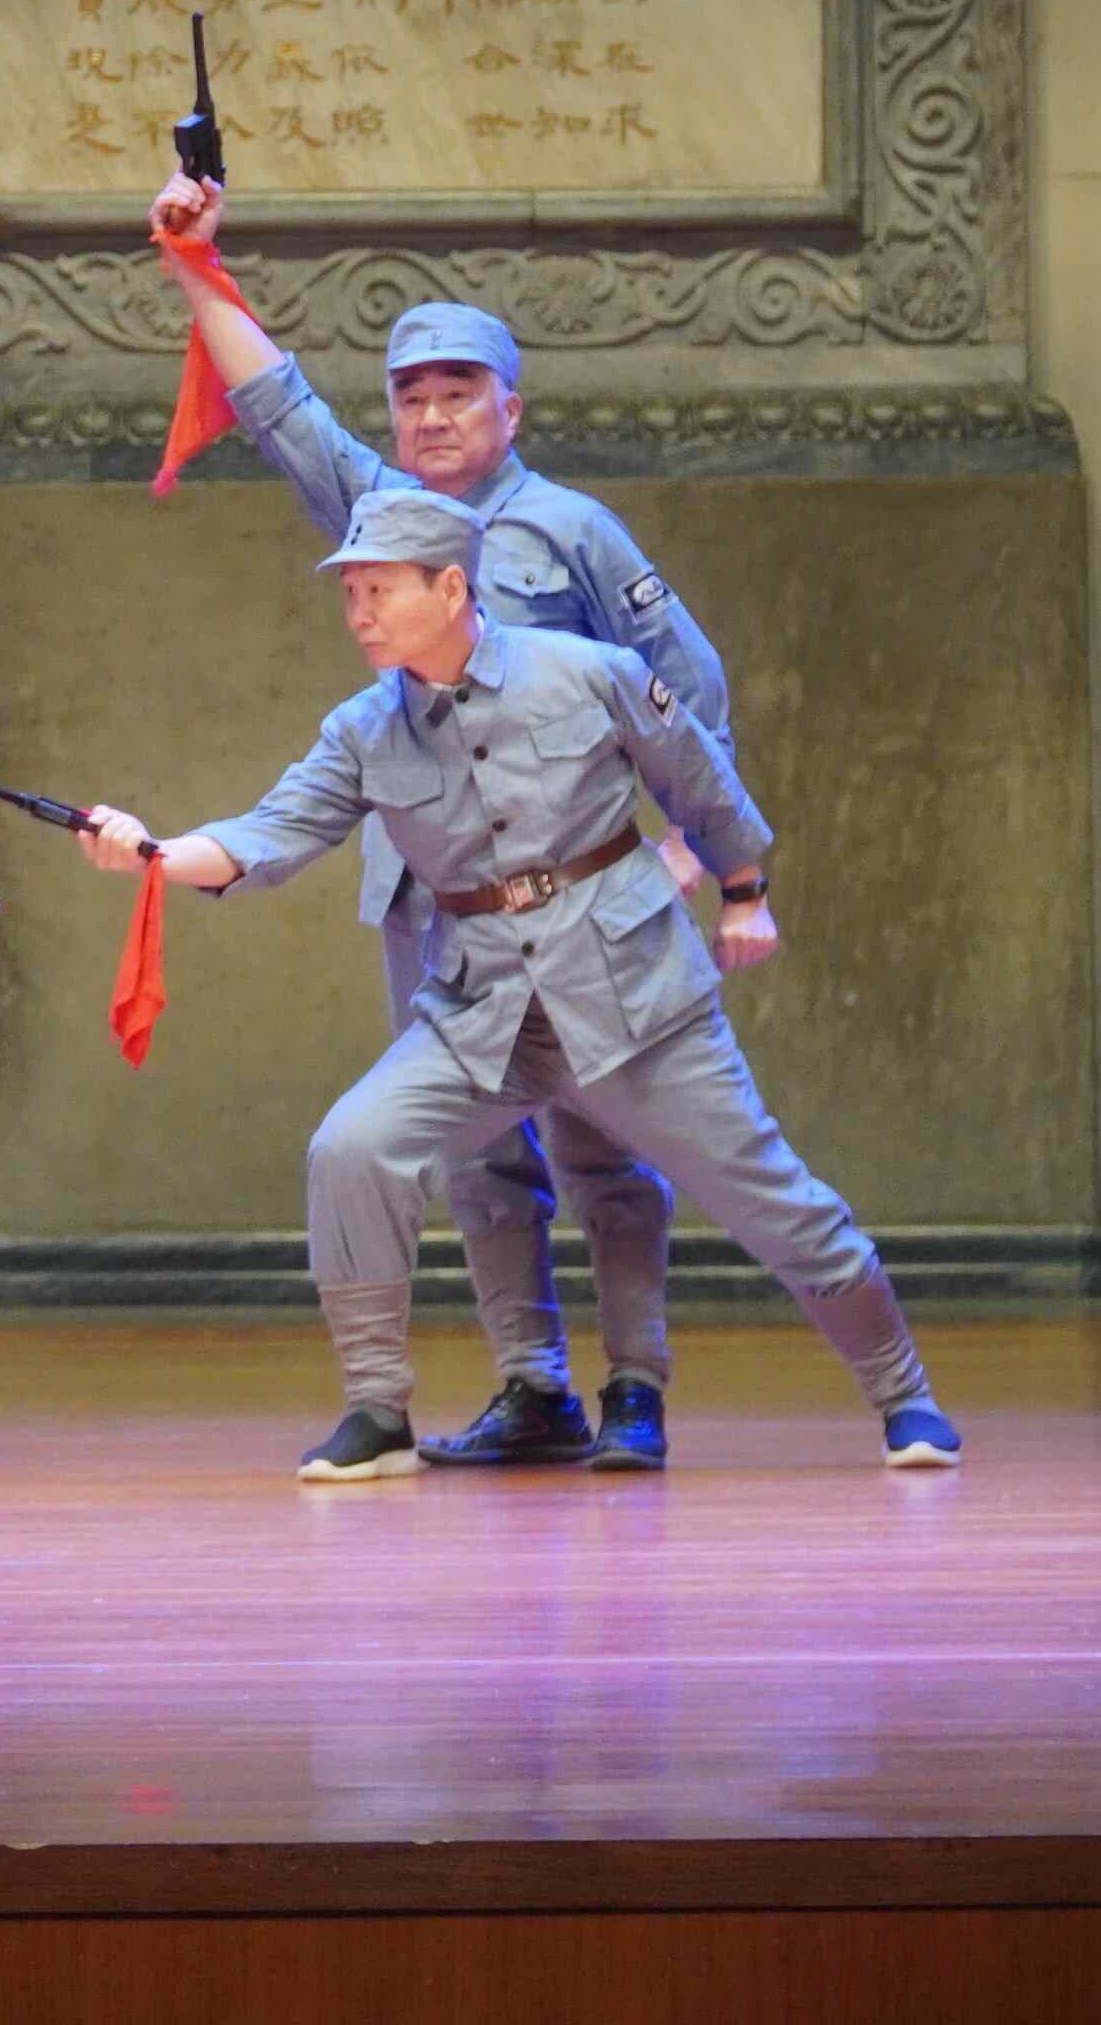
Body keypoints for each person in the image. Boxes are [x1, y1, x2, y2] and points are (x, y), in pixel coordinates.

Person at [71, 486, 961, 1482]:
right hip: (482, 1011)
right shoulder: (364, 729)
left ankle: (905, 1396)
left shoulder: (588, 673)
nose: (358, 614)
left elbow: (699, 784)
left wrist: (743, 889)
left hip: (633, 1000)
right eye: (349, 594)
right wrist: (154, 852)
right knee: (352, 1150)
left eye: (378, 590)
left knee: (773, 1201)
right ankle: (377, 1411)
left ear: (451, 588)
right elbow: (268, 834)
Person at [150, 172, 740, 1475]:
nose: (429, 414)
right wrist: (194, 265)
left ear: (510, 407)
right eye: (410, 395)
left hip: (583, 907)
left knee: (603, 1147)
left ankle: (634, 1388)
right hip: (436, 902)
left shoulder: (573, 531)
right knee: (473, 1161)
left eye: (458, 391)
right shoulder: (379, 512)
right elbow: (278, 406)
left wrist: (688, 852)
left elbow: (688, 689)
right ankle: (534, 1387)